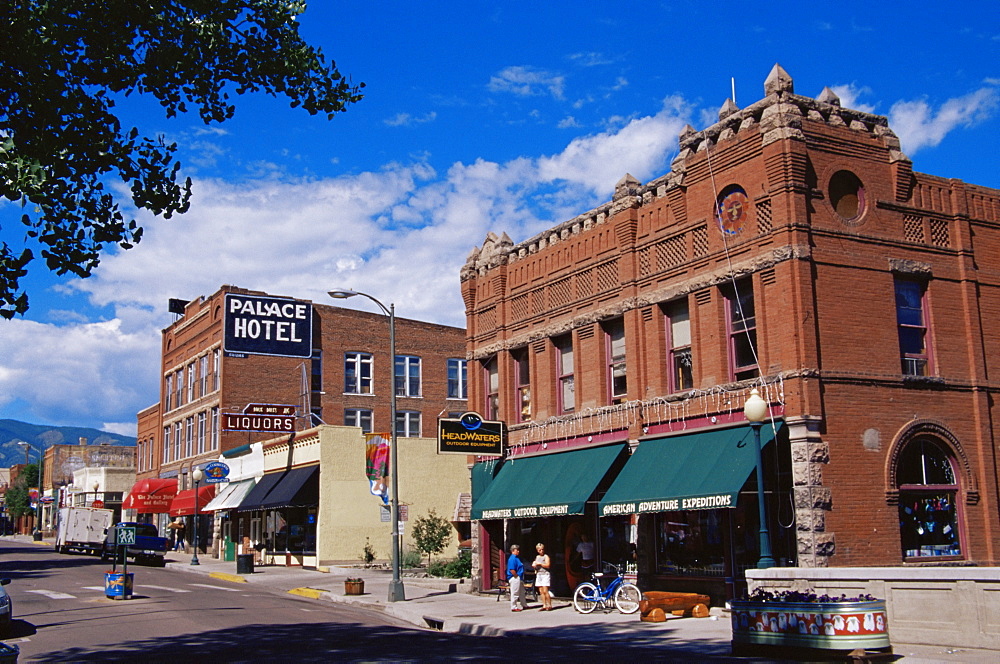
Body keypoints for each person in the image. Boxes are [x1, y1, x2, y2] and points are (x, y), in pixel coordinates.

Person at [506, 543, 528, 612]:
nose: (518, 551)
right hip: (515, 577)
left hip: (520, 577)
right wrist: (516, 576)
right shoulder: (512, 559)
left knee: (522, 592)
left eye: (518, 550)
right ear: (512, 551)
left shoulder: (517, 558)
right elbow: (512, 569)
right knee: (515, 592)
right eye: (516, 550)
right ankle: (514, 606)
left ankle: (524, 605)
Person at [532, 542, 552, 611]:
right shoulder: (537, 557)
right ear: (537, 550)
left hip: (545, 574)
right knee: (541, 591)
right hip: (539, 574)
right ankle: (544, 604)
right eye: (540, 550)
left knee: (545, 590)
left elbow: (548, 565)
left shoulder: (546, 556)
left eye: (542, 549)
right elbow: (535, 564)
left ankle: (549, 604)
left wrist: (540, 564)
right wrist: (534, 566)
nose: (541, 551)